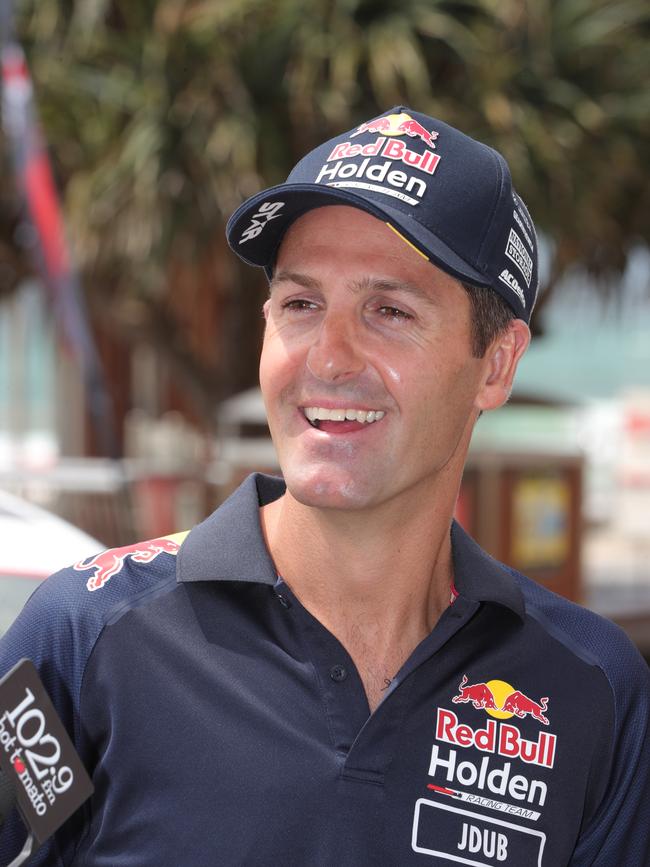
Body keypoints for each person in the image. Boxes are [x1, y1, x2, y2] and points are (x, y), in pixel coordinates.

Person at [1, 106, 648, 866]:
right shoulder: (83, 636)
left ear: (497, 365)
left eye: (390, 310)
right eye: (302, 304)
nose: (330, 358)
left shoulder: (592, 690)